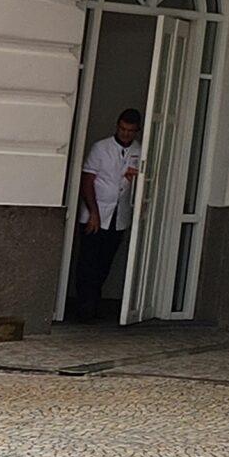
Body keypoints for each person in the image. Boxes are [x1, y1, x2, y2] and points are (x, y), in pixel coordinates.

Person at [69, 109, 143, 323]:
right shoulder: (101, 148)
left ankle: (94, 303)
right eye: (122, 129)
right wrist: (93, 212)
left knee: (104, 263)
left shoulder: (139, 151)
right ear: (117, 126)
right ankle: (84, 308)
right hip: (95, 214)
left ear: (136, 130)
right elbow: (88, 180)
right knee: (88, 262)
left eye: (130, 130)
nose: (126, 133)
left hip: (119, 215)